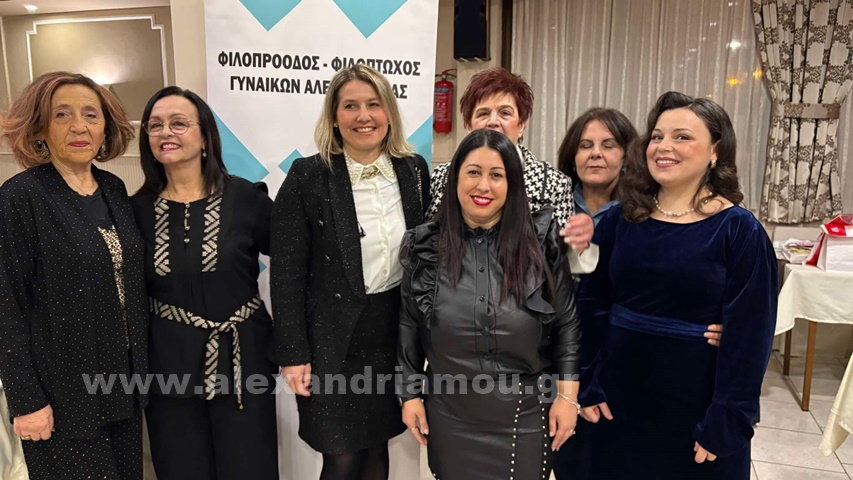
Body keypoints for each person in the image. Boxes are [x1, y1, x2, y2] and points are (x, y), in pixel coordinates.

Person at [577, 92, 777, 479]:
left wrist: (727, 421)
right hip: (616, 396)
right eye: (657, 136)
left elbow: (751, 337)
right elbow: (589, 302)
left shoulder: (739, 230)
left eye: (682, 137)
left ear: (715, 150)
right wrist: (586, 382)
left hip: (696, 404)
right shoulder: (620, 219)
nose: (664, 146)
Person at [271, 64, 430, 480]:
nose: (363, 116)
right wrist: (293, 354)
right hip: (330, 340)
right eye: (350, 106)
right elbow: (286, 273)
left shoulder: (413, 170)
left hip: (391, 334)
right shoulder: (308, 176)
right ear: (334, 116)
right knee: (340, 457)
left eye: (373, 104)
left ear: (388, 112)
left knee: (378, 447)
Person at [397, 129, 581, 480]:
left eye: (497, 175)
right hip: (449, 413)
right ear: (455, 178)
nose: (483, 185)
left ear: (512, 184)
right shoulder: (425, 247)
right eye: (473, 172)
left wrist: (568, 398)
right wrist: (410, 395)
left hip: (526, 412)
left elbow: (567, 325)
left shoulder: (541, 243)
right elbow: (408, 326)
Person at [0, 71, 147, 479]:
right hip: (61, 394)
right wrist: (27, 400)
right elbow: (6, 305)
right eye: (61, 114)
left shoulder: (113, 189)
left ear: (106, 128)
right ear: (40, 128)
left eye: (90, 115)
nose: (79, 126)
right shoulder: (20, 197)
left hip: (122, 385)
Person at [131, 87, 278, 479]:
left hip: (245, 364)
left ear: (205, 137)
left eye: (179, 123)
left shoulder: (246, 199)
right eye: (155, 125)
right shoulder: (134, 211)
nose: (166, 132)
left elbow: (295, 264)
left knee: (250, 470)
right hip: (168, 371)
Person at [426, 67, 595, 270]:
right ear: (468, 125)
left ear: (521, 124)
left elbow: (562, 263)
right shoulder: (442, 176)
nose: (493, 122)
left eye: (505, 113)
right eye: (483, 113)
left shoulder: (554, 184)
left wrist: (580, 245)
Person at [557, 108, 637, 227]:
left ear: (626, 157)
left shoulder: (642, 212)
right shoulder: (553, 206)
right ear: (572, 157)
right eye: (586, 146)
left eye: (608, 146)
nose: (596, 153)